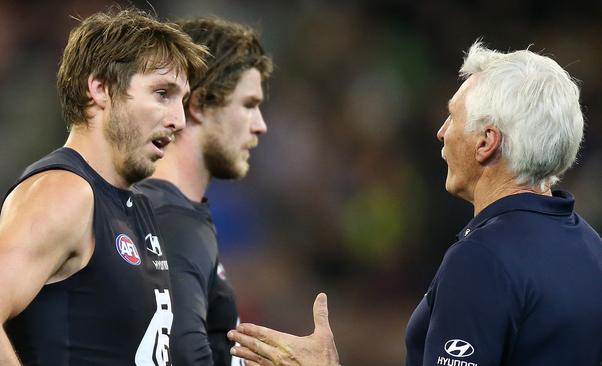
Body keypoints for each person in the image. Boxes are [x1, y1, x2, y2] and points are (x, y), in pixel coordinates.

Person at [227, 41, 602, 366]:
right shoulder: (591, 248)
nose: (441, 132)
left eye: (453, 117)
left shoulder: (482, 260)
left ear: (486, 142)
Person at [0, 8, 207, 366]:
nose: (178, 121)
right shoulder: (65, 192)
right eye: (162, 93)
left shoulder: (134, 209)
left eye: (182, 101)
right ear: (100, 89)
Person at [134, 17, 273, 366]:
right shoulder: (173, 220)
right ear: (197, 105)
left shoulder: (160, 209)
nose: (260, 125)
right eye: (248, 105)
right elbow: (180, 351)